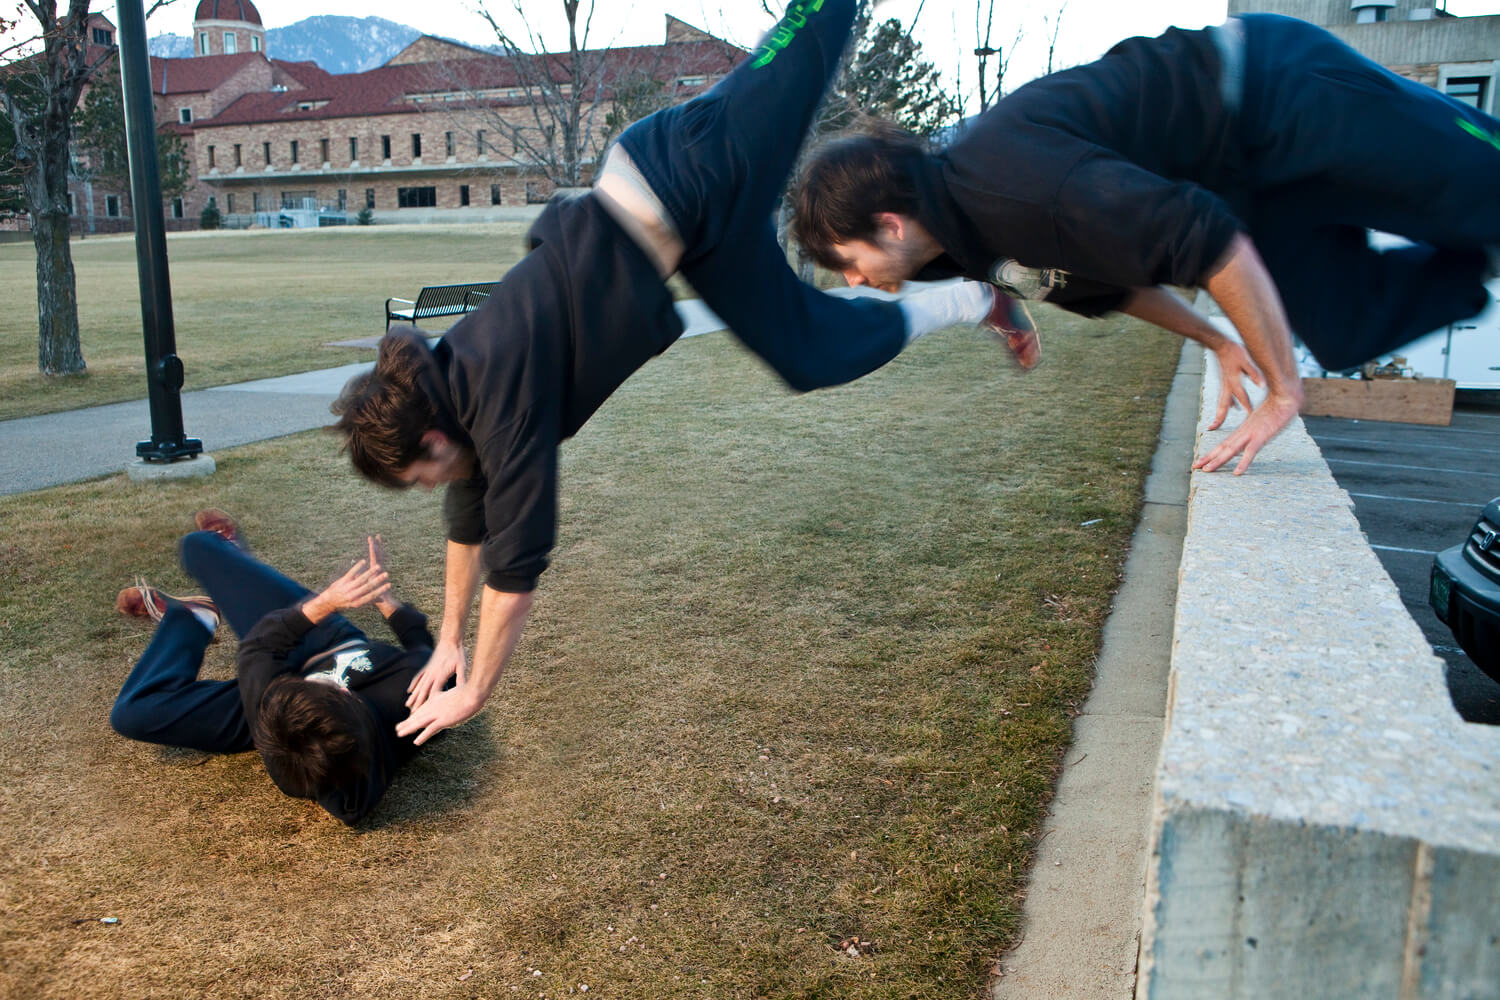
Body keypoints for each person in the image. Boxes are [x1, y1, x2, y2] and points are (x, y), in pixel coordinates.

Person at [330, 0, 1036, 748]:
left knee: (819, 30)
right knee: (809, 352)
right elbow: (469, 522)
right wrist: (446, 641)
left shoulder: (499, 402)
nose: (430, 487)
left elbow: (517, 564)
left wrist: (475, 690)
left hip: (694, 163)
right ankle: (973, 297)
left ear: (432, 439)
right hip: (697, 234)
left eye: (418, 476)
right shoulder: (459, 402)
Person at [795, 13, 1500, 475]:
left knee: (1483, 186)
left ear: (888, 223)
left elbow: (1211, 244)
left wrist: (1284, 392)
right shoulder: (972, 241)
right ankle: (1481, 255)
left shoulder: (1010, 184)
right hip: (1249, 185)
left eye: (849, 264)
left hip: (1278, 91)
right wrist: (1219, 341)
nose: (854, 283)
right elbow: (1120, 285)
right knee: (1344, 327)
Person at [109, 510, 436, 825]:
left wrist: (323, 602)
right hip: (325, 637)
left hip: (280, 682)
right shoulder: (410, 695)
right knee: (198, 547)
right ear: (347, 694)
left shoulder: (278, 736)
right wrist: (383, 599)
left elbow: (260, 647)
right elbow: (425, 648)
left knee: (132, 713)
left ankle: (192, 617)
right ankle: (233, 556)